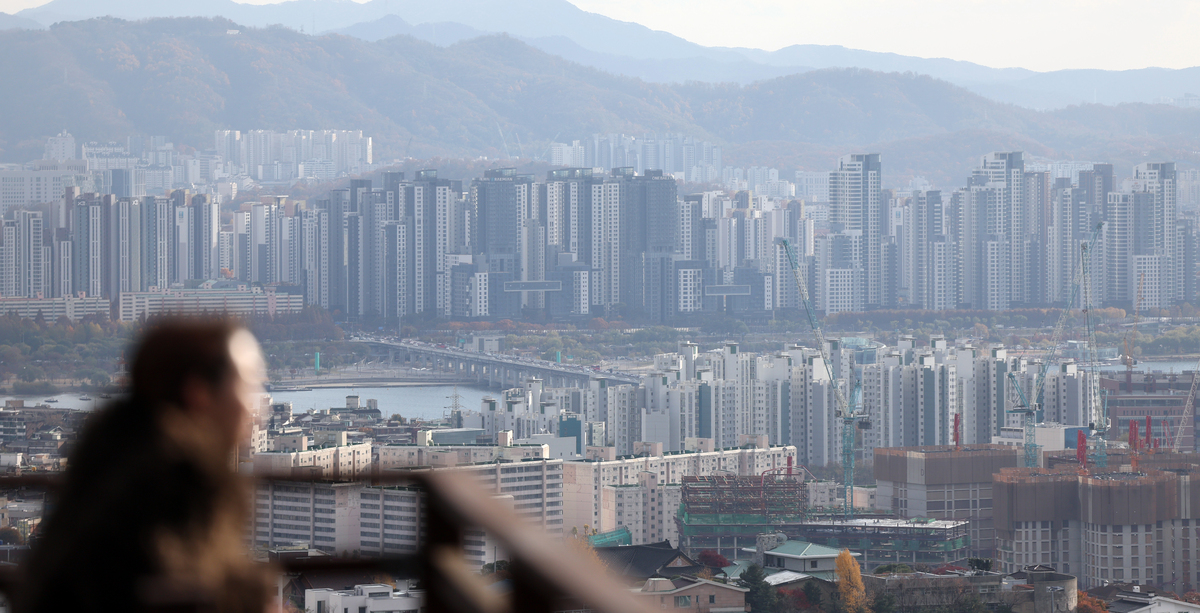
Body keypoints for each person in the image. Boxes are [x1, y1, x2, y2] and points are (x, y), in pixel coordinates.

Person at [20, 318, 273, 613]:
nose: (258, 406)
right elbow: (180, 587)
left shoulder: (112, 456)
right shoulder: (179, 476)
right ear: (199, 393)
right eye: (250, 384)